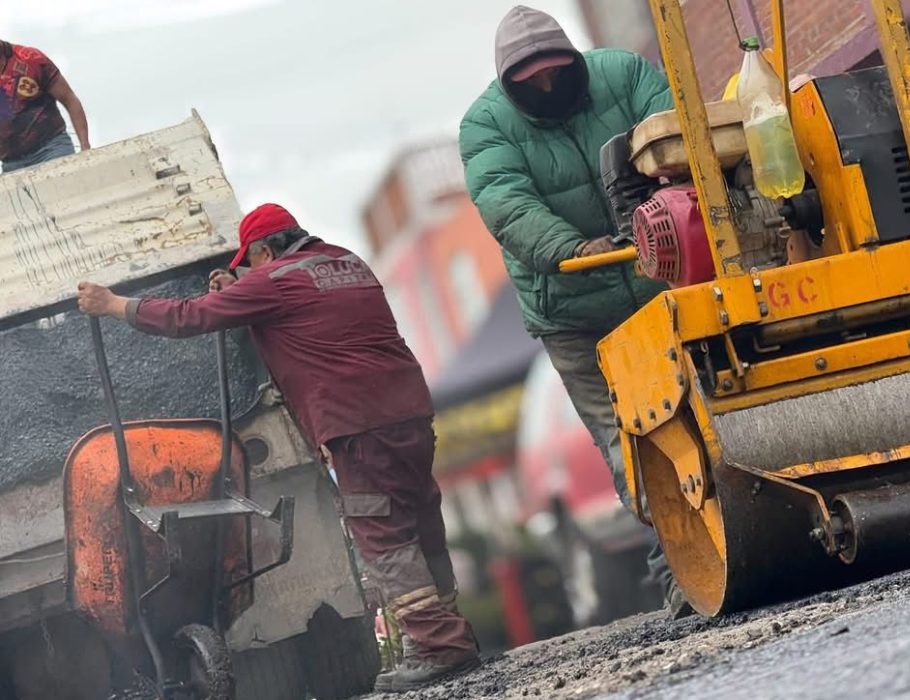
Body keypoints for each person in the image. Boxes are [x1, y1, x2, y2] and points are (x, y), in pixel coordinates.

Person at [76, 204, 479, 692]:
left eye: (251, 263)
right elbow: (308, 320)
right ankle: (451, 631)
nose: (250, 272)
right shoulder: (346, 262)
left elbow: (190, 317)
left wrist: (113, 304)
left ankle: (438, 645)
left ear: (265, 250)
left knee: (384, 533)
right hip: (409, 411)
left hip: (357, 424)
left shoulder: (274, 281)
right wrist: (244, 291)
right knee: (420, 519)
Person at [459, 5, 692, 617]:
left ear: (576, 63)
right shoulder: (485, 125)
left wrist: (666, 205)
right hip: (571, 308)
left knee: (706, 406)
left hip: (660, 279)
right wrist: (572, 249)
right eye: (529, 79)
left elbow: (673, 136)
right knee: (627, 438)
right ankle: (675, 568)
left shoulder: (621, 74)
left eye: (555, 72)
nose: (544, 85)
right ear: (509, 81)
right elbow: (506, 205)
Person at [1, 40, 89, 173]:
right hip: (11, 163)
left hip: (52, 149)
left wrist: (85, 148)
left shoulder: (29, 58)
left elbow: (69, 99)